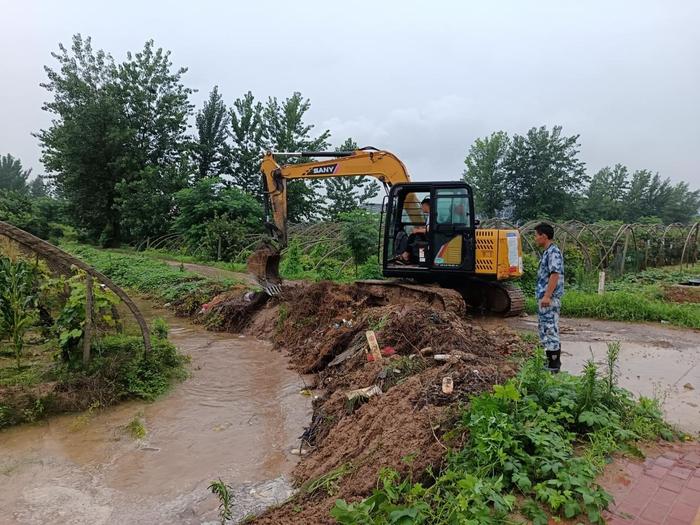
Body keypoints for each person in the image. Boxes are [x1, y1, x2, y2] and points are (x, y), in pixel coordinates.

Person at [534, 223, 565, 373]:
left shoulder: (553, 252)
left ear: (544, 236)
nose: (535, 239)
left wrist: (547, 295)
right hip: (544, 299)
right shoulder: (547, 252)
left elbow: (555, 274)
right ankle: (549, 362)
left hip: (549, 300)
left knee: (550, 329)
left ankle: (554, 365)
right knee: (545, 329)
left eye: (536, 235)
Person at [395, 198, 430, 263]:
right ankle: (407, 255)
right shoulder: (430, 215)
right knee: (414, 236)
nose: (421, 208)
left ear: (426, 205)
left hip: (431, 239)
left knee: (414, 235)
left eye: (422, 206)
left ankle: (406, 255)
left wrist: (418, 230)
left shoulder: (432, 215)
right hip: (429, 237)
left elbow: (430, 229)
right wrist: (420, 229)